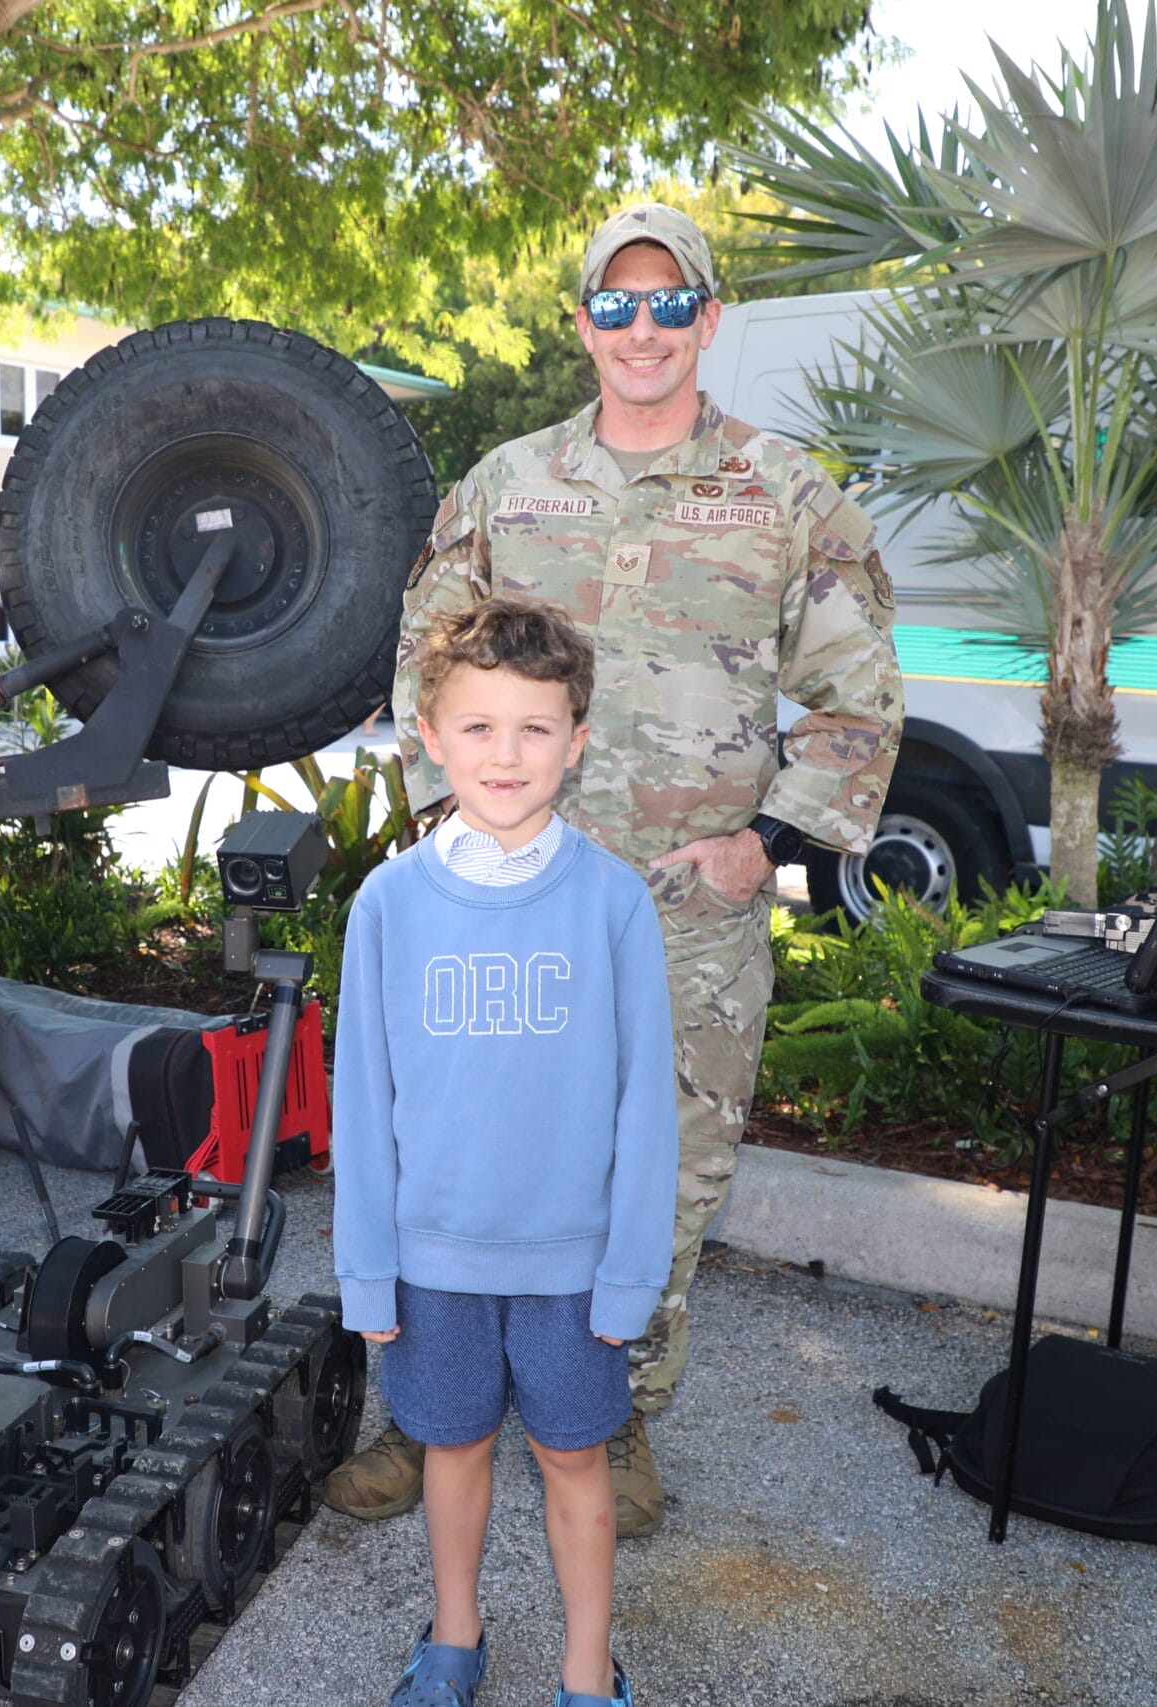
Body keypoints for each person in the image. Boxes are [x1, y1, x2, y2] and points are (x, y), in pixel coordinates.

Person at [328, 202, 904, 1537]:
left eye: (670, 303)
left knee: (670, 1168)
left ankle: (619, 1404)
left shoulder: (786, 493)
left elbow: (858, 694)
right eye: (617, 303)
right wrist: (452, 832)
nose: (644, 328)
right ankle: (432, 1408)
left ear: (708, 319)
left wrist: (765, 846)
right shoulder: (506, 484)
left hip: (680, 913)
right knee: (460, 1147)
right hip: (503, 902)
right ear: (582, 322)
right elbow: (425, 660)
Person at [333, 597, 678, 1707]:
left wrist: (630, 1273)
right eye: (478, 726)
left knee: (576, 1456)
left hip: (571, 1266)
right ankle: (454, 1635)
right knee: (454, 1446)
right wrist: (366, 1269)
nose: (506, 754)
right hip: (433, 1261)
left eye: (535, 727)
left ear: (577, 742)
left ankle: (587, 1666)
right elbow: (362, 1100)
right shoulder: (389, 904)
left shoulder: (613, 902)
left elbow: (645, 1108)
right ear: (430, 737)